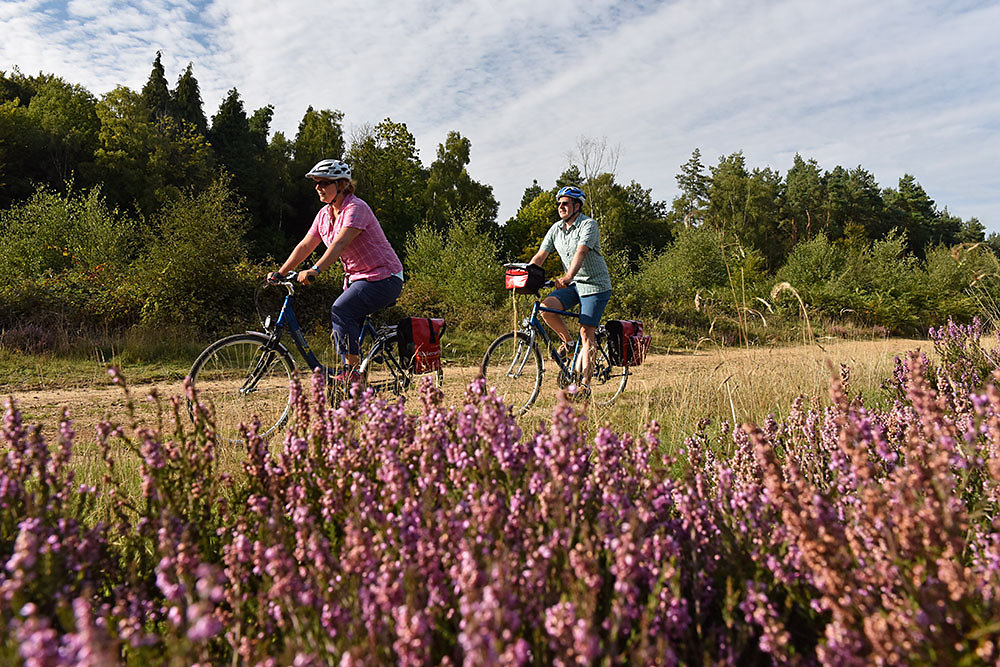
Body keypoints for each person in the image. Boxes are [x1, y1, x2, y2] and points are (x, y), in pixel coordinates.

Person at [270, 159, 403, 383]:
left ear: (341, 184)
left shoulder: (356, 208)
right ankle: (351, 386)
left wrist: (315, 269)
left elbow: (339, 244)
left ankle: (352, 377)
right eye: (316, 183)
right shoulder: (324, 215)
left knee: (341, 309)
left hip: (384, 277)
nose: (317, 187)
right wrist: (280, 273)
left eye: (324, 182)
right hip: (357, 280)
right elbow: (305, 245)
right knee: (343, 322)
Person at [529, 185, 612, 397]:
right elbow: (540, 256)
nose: (560, 207)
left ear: (577, 206)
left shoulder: (588, 225)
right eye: (559, 204)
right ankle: (568, 341)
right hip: (575, 285)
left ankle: (585, 384)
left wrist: (567, 277)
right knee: (546, 308)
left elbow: (581, 252)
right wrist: (527, 274)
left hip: (595, 286)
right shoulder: (556, 229)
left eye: (565, 203)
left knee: (587, 331)